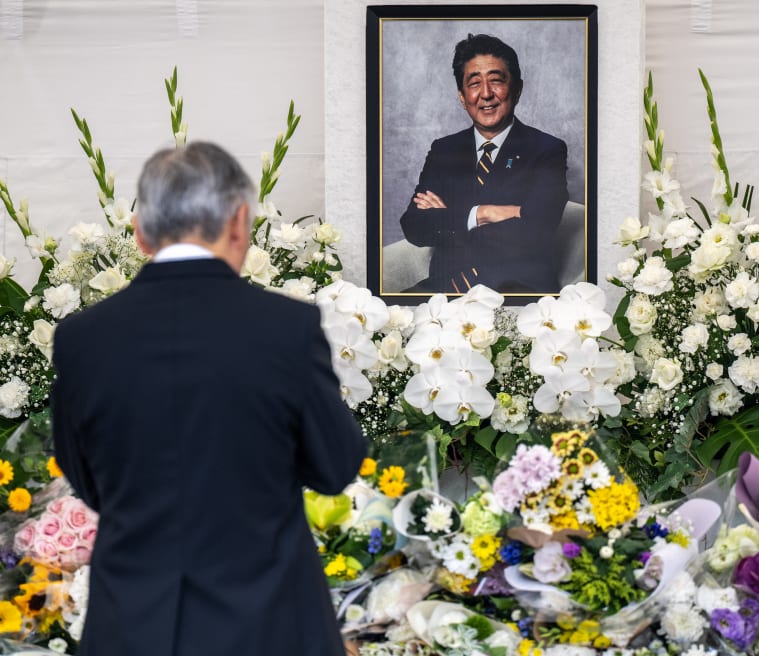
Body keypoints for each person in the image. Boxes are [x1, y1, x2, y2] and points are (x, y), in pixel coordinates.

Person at [50, 142, 368, 656]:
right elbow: (334, 466)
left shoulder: (82, 337)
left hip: (130, 626)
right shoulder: (287, 328)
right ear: (239, 220)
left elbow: (85, 479)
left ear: (141, 231)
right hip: (270, 627)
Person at [399, 33, 569, 294]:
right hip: (445, 290)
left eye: (496, 81)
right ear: (462, 96)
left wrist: (447, 218)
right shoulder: (444, 150)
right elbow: (414, 226)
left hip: (516, 292)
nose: (486, 94)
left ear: (517, 89)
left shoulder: (547, 150)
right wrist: (482, 213)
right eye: (475, 83)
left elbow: (538, 229)